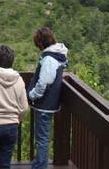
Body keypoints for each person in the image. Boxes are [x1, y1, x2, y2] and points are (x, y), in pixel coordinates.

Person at [27, 26, 68, 169]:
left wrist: (32, 95)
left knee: (42, 139)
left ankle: (39, 166)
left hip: (45, 105)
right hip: (49, 104)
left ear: (41, 42)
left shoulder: (49, 58)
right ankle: (40, 165)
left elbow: (44, 81)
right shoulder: (56, 55)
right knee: (42, 138)